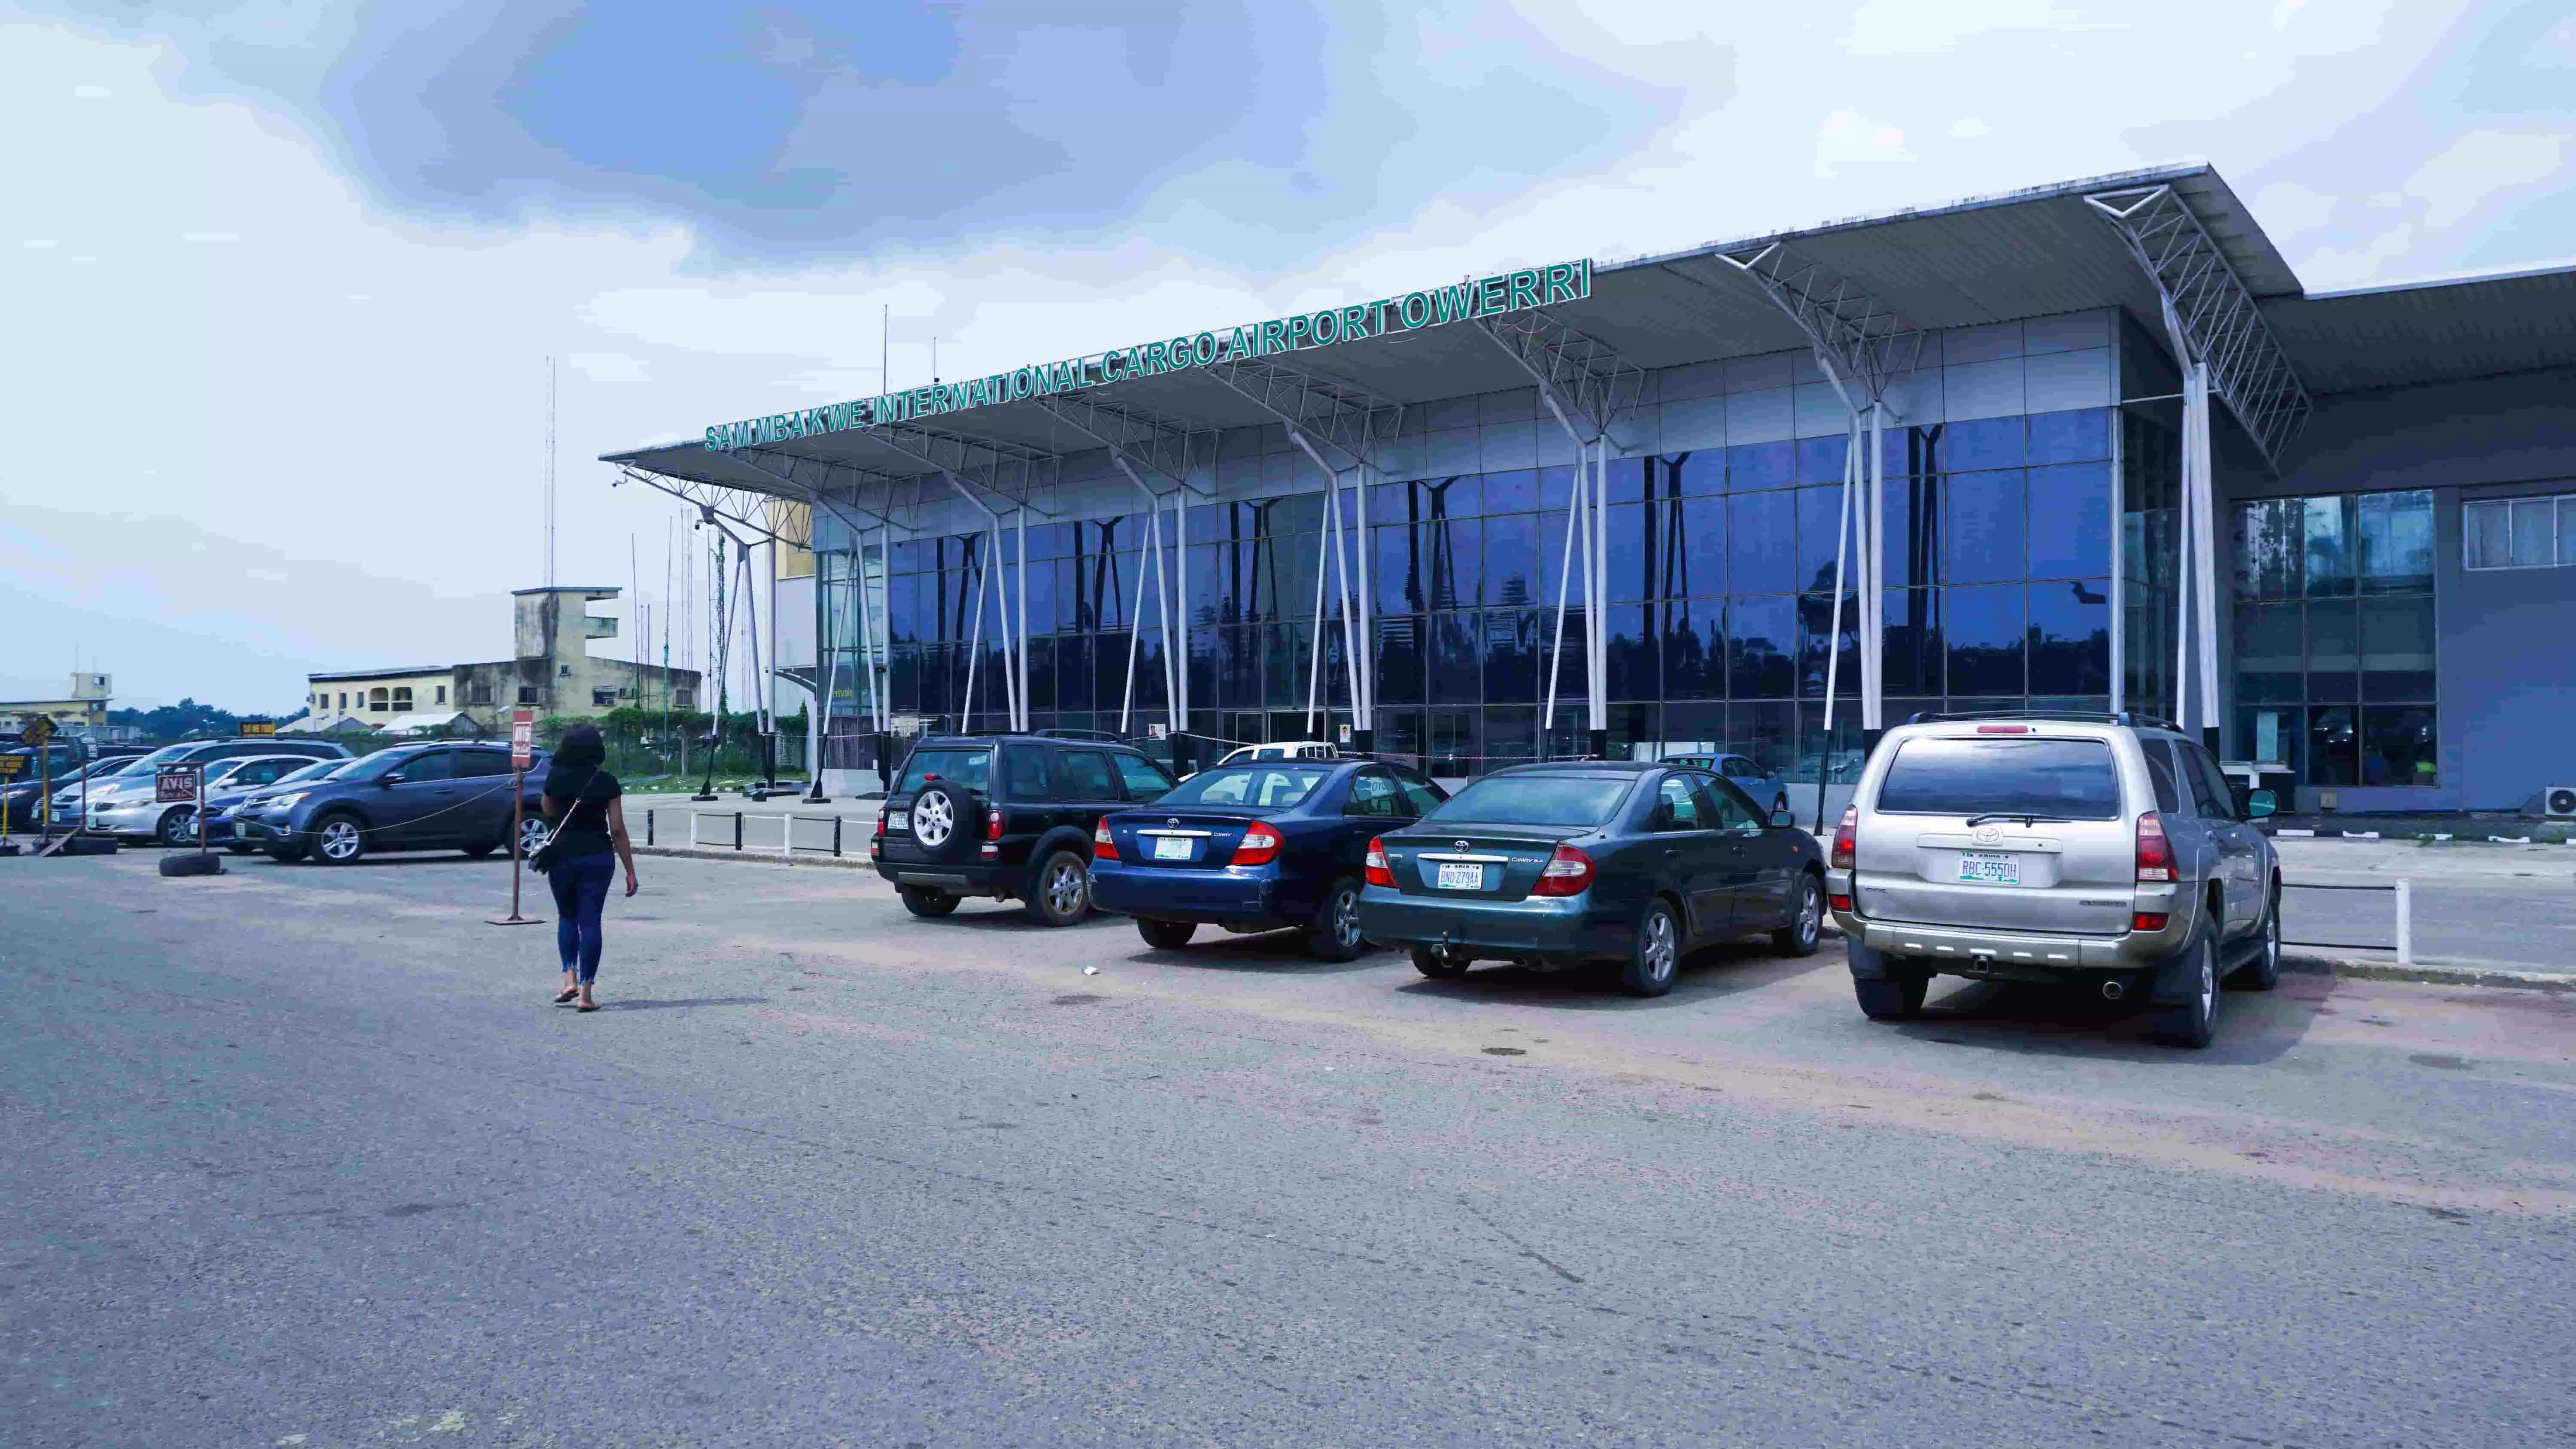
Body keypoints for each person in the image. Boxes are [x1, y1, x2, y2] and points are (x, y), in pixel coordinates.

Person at [539, 724, 638, 1011]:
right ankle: (586, 994)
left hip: (561, 856)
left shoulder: (555, 778)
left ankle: (569, 977)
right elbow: (617, 829)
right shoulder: (606, 781)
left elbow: (547, 810)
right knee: (591, 921)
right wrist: (630, 870)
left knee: (567, 917)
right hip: (598, 856)